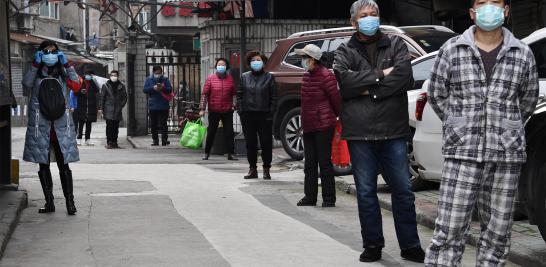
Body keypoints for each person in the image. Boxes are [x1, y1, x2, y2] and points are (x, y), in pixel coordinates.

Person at [425, 0, 539, 265]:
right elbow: (437, 94)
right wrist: (461, 126)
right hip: (462, 153)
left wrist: (503, 126)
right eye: (483, 3)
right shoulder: (452, 49)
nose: (490, 8)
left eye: (496, 3)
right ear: (472, 12)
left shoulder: (522, 53)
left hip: (505, 156)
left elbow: (528, 100)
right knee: (450, 229)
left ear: (507, 10)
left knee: (498, 234)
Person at [333, 0, 425, 263]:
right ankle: (372, 244)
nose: (370, 18)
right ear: (353, 22)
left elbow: (404, 77)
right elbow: (344, 82)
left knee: (403, 192)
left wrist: (366, 88)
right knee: (365, 193)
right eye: (364, 15)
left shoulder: (396, 44)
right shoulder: (344, 49)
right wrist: (381, 75)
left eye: (374, 14)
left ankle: (410, 245)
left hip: (393, 131)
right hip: (359, 133)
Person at [22, 40, 80, 215]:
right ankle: (49, 203)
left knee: (64, 165)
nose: (49, 54)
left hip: (60, 126)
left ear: (58, 53)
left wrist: (66, 64)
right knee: (43, 165)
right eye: (46, 51)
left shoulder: (62, 73)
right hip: (41, 126)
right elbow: (25, 86)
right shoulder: (36, 73)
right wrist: (35, 64)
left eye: (53, 51)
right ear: (40, 53)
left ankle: (70, 203)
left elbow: (76, 84)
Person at [294, 44, 341, 206]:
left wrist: (339, 117)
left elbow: (335, 99)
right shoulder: (307, 75)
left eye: (305, 57)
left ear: (313, 59)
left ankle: (328, 198)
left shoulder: (326, 75)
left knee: (324, 162)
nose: (303, 61)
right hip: (308, 124)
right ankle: (310, 196)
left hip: (323, 124)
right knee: (310, 164)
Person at [237, 51, 277, 179]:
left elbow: (274, 97)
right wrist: (241, 111)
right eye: (253, 60)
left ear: (263, 62)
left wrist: (271, 112)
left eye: (258, 60)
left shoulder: (269, 77)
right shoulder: (244, 77)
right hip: (248, 115)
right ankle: (252, 169)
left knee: (266, 143)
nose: (256, 62)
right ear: (249, 63)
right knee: (250, 143)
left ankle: (266, 169)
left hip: (264, 115)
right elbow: (239, 95)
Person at [199, 58, 237, 161]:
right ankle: (207, 153)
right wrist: (202, 108)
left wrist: (234, 105)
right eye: (219, 64)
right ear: (216, 66)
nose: (221, 66)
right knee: (211, 132)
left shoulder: (230, 79)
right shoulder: (210, 79)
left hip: (227, 110)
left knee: (229, 132)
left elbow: (234, 95)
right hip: (214, 110)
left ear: (226, 67)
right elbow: (204, 95)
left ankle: (230, 153)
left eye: (223, 65)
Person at [143, 66, 172, 146]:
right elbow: (145, 89)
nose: (158, 75)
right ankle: (155, 140)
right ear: (153, 72)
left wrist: (163, 88)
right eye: (156, 73)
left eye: (159, 73)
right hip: (153, 105)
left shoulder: (165, 79)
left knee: (163, 123)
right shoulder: (149, 79)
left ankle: (164, 139)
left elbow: (170, 89)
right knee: (153, 124)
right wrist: (153, 88)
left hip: (163, 105)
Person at [73, 70, 101, 146]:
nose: (89, 76)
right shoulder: (80, 82)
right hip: (82, 106)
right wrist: (80, 91)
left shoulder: (93, 83)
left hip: (91, 107)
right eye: (89, 75)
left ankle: (87, 139)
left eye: (91, 75)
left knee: (89, 124)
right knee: (81, 123)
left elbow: (97, 90)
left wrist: (94, 80)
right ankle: (79, 139)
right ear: (85, 75)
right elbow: (75, 92)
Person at [101, 70, 127, 149]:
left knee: (116, 127)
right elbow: (102, 98)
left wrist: (120, 105)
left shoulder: (122, 86)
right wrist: (102, 109)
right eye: (112, 75)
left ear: (117, 76)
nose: (113, 77)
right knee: (109, 126)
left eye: (115, 75)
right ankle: (109, 142)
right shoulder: (105, 85)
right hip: (108, 109)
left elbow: (125, 97)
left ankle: (115, 142)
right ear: (110, 76)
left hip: (117, 110)